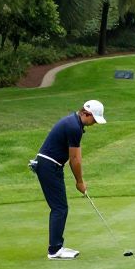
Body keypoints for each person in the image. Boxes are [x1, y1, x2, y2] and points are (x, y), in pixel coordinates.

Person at [30, 100, 107, 259]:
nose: (94, 123)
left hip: (52, 166)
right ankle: (55, 250)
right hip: (48, 167)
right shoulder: (74, 127)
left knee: (60, 207)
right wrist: (79, 182)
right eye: (94, 119)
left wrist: (79, 180)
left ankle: (56, 247)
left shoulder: (75, 123)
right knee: (60, 208)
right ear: (86, 114)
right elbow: (75, 159)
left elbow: (75, 157)